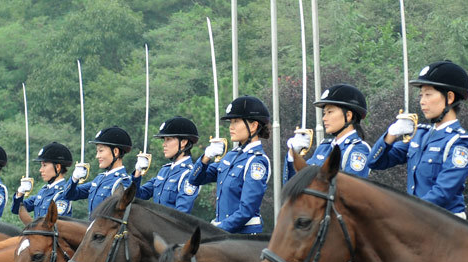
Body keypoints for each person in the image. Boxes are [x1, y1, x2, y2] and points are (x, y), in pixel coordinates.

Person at [369, 60, 468, 218]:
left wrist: (407, 213)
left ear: (450, 97)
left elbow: (443, 192)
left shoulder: (459, 141)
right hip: (419, 221)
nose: (422, 101)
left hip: (446, 225)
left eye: (428, 94)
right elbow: (375, 162)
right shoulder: (419, 134)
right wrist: (391, 134)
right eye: (421, 95)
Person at [189, 96, 271, 233]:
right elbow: (195, 179)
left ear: (253, 126)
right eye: (230, 122)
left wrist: (216, 230)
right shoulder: (231, 156)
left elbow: (247, 210)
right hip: (225, 235)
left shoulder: (256, 161)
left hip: (243, 236)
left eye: (236, 121)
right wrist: (206, 157)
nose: (231, 127)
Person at [284, 84, 372, 181]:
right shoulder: (324, 147)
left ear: (348, 115)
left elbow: (351, 191)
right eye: (324, 113)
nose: (324, 118)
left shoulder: (357, 149)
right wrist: (293, 154)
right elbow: (295, 186)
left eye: (330, 112)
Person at [131, 116, 200, 213]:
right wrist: (137, 172)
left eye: (168, 139)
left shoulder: (189, 174)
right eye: (164, 140)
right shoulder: (164, 171)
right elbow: (138, 195)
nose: (164, 144)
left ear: (183, 142)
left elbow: (181, 215)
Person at [62, 126, 133, 218]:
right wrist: (74, 178)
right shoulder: (99, 179)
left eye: (101, 151)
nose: (97, 156)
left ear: (115, 152)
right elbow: (69, 195)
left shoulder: (122, 182)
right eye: (97, 151)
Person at [12, 142, 73, 218]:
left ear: (57, 167)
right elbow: (17, 210)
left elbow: (56, 225)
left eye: (44, 165)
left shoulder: (63, 193)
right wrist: (20, 192)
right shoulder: (43, 191)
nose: (41, 170)